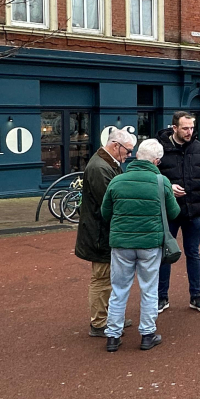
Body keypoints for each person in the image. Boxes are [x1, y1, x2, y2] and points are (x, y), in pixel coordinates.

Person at [101, 139, 180, 352]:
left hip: (121, 243)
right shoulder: (161, 181)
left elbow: (105, 213)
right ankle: (147, 334)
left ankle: (113, 336)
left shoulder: (117, 181)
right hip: (149, 243)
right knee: (149, 289)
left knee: (118, 289)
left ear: (137, 156)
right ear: (157, 160)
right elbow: (174, 213)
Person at [156, 111, 200, 314]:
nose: (189, 132)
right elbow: (151, 177)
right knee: (166, 254)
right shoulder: (159, 149)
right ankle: (162, 297)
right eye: (185, 128)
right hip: (169, 212)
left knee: (193, 253)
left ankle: (196, 296)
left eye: (192, 128)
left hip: (193, 211)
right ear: (174, 128)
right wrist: (168, 187)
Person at [75, 128, 135, 338]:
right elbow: (110, 202)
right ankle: (99, 322)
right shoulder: (101, 167)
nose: (128, 155)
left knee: (109, 277)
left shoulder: (106, 164)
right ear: (115, 145)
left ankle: (109, 317)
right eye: (127, 151)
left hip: (101, 231)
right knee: (101, 278)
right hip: (99, 233)